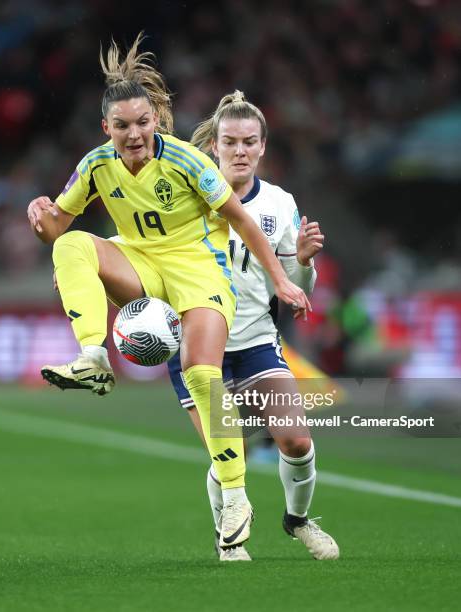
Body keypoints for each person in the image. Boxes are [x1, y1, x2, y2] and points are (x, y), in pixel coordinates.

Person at [26, 33, 310, 552]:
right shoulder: (95, 165)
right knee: (70, 248)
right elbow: (54, 227)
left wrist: (282, 278)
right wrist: (40, 214)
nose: (134, 135)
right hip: (139, 263)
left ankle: (236, 495)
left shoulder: (187, 162)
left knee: (203, 371)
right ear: (105, 127)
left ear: (155, 119)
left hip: (199, 272)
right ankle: (93, 355)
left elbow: (242, 221)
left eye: (142, 123)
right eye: (122, 126)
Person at [168, 91, 339, 561]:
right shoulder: (187, 197)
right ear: (215, 147)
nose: (239, 151)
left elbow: (294, 282)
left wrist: (303, 262)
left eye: (249, 142)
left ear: (263, 147)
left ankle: (298, 521)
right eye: (230, 142)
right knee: (231, 452)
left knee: (297, 439)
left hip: (256, 340)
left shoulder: (280, 204)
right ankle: (231, 541)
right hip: (198, 345)